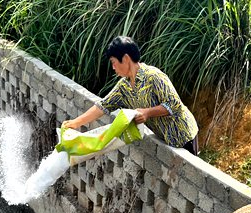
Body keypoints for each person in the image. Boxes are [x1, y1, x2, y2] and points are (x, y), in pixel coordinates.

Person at [61, 36, 200, 155]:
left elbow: (174, 104)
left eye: (114, 62)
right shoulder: (124, 86)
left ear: (126, 59)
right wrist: (75, 123)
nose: (113, 67)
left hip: (184, 136)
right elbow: (103, 106)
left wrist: (147, 112)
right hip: (165, 139)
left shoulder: (153, 76)